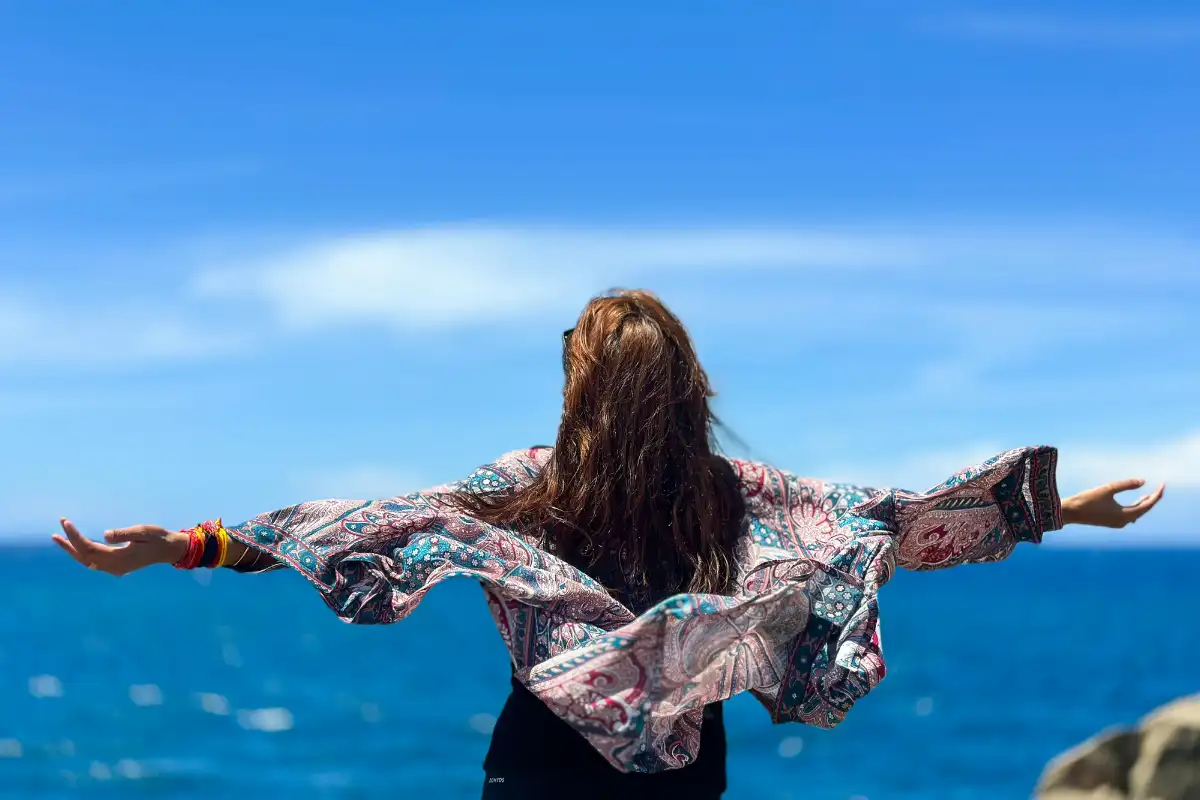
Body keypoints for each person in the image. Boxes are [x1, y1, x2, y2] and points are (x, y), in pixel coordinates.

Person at [53, 289, 1164, 800]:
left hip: (535, 766)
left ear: (583, 390)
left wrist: (189, 544)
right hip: (685, 773)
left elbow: (363, 524)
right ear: (688, 385)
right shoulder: (741, 494)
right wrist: (1055, 510)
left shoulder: (529, 485)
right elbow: (897, 520)